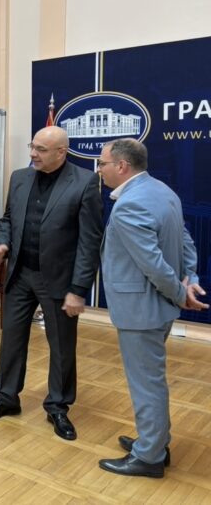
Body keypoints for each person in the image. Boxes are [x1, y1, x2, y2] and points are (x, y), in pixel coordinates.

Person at [0, 126, 103, 441]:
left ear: (61, 152)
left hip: (59, 280)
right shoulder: (20, 178)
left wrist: (78, 290)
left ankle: (57, 406)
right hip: (20, 274)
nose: (33, 154)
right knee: (11, 339)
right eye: (32, 147)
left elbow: (89, 241)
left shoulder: (85, 182)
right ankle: (7, 397)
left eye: (41, 150)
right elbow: (8, 219)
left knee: (61, 346)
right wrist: (2, 243)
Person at [97, 139, 207, 478]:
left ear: (121, 166)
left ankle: (149, 457)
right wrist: (190, 278)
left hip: (141, 310)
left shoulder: (130, 204)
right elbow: (185, 240)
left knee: (146, 384)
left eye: (102, 163)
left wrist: (181, 293)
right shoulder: (162, 190)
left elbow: (153, 264)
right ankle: (155, 442)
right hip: (157, 308)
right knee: (151, 380)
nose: (99, 170)